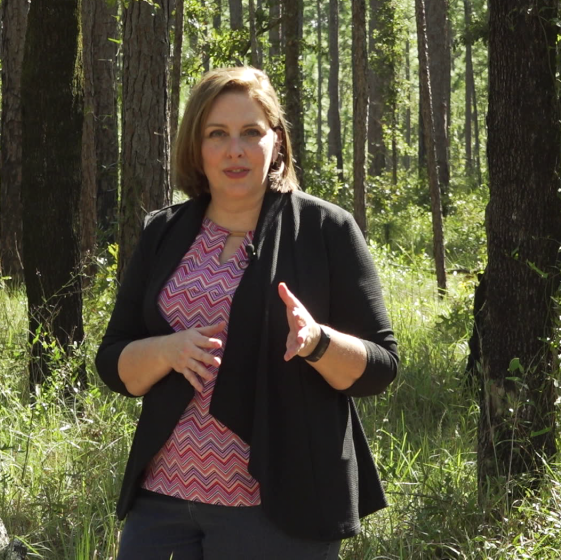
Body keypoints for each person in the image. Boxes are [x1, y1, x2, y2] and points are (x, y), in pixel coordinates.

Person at [95, 66, 399, 559]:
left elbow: (380, 367)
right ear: (197, 147)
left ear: (276, 142)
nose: (234, 150)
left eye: (251, 133)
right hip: (162, 504)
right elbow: (114, 363)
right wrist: (167, 350)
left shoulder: (325, 230)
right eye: (217, 134)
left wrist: (318, 342)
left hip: (279, 507)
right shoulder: (164, 233)